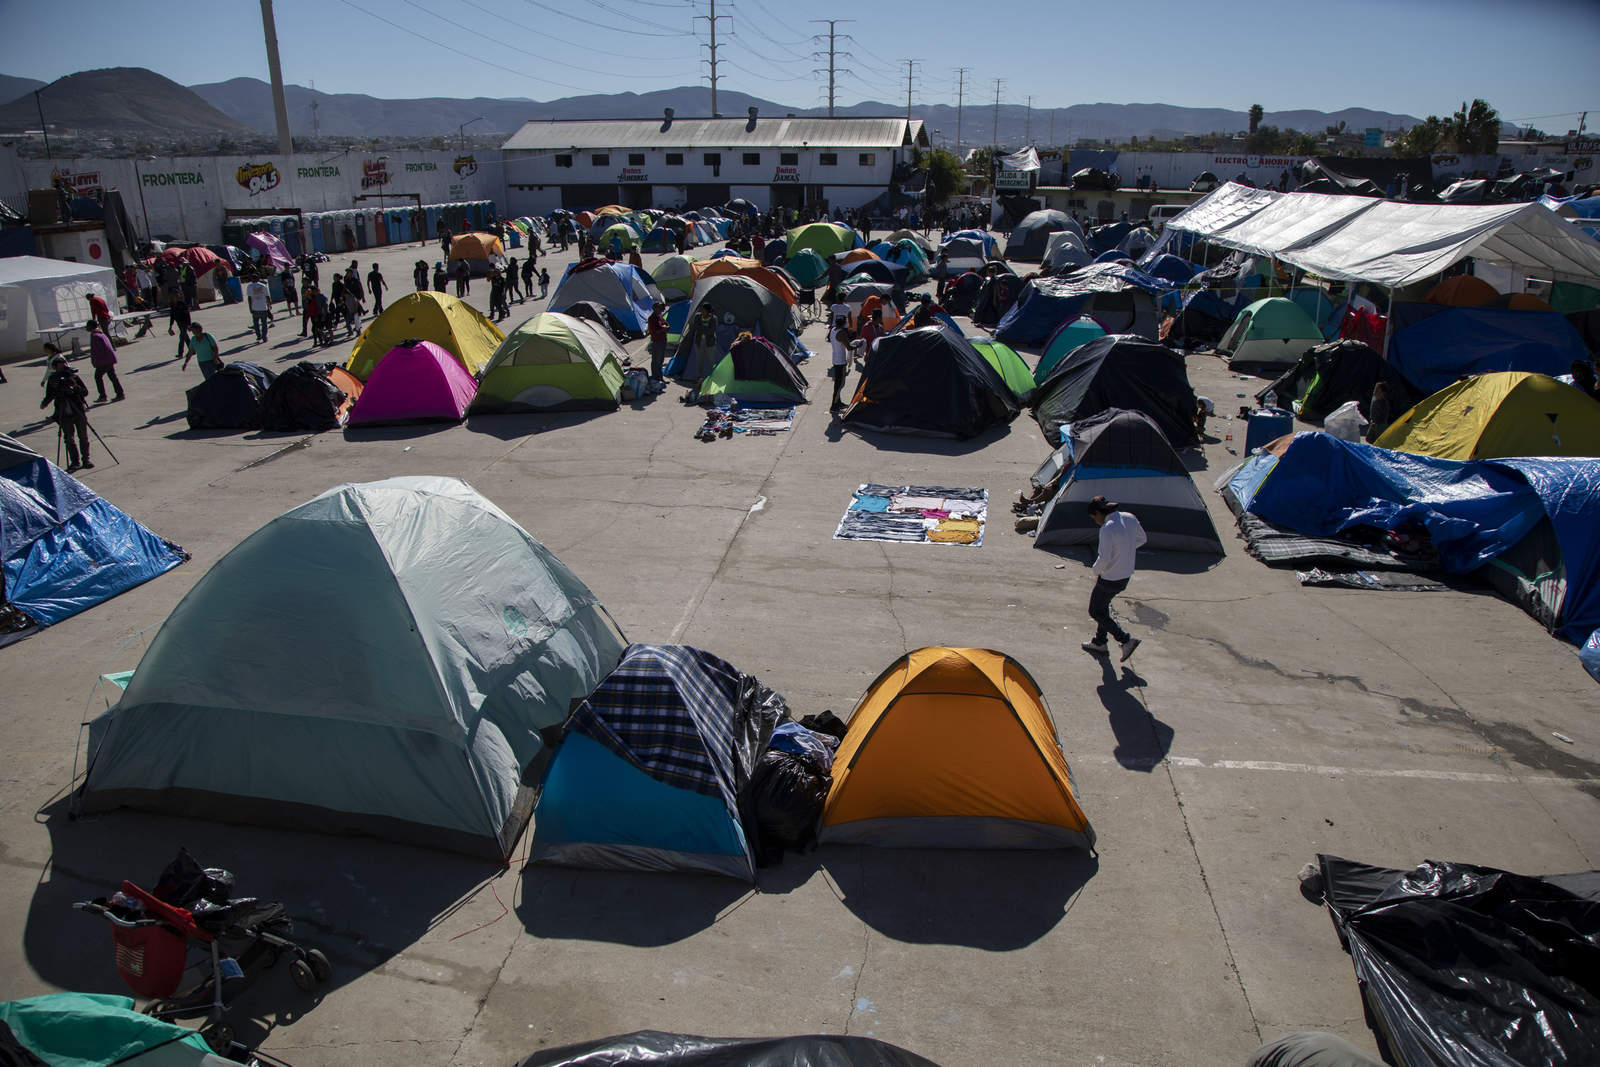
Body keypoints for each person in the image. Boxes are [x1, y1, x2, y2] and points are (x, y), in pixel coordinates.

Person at [1081, 495, 1147, 661]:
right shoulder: (1129, 517)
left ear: (1098, 513)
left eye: (1094, 518)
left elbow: (1104, 558)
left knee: (1095, 611)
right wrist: (1125, 549)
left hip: (1109, 577)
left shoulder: (1107, 529)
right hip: (1125, 575)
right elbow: (1142, 539)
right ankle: (1100, 642)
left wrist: (1094, 572)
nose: (1096, 522)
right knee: (1103, 608)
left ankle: (1125, 640)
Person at [41, 356, 92, 470]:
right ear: (55, 367)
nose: (61, 367)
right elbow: (50, 395)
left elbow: (85, 392)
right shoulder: (53, 379)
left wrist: (75, 386)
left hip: (78, 410)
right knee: (69, 438)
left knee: (83, 437)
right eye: (58, 365)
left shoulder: (73, 377)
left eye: (63, 364)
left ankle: (86, 460)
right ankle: (75, 461)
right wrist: (45, 403)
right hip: (63, 412)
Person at [87, 321, 125, 403]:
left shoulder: (95, 336)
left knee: (98, 377)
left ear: (91, 326)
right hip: (109, 359)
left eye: (87, 326)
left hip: (104, 361)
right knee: (112, 377)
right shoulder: (101, 333)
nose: (86, 328)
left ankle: (103, 396)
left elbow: (96, 351)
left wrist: (95, 362)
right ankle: (120, 394)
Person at [829, 318, 854, 410]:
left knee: (838, 382)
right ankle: (834, 405)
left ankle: (838, 402)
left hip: (836, 359)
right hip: (840, 361)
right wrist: (858, 345)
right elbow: (849, 347)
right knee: (839, 384)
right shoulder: (841, 333)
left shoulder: (833, 330)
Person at [646, 301, 668, 384]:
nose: (661, 309)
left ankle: (660, 377)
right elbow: (655, 330)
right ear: (654, 308)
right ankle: (655, 377)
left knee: (661, 359)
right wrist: (663, 329)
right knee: (656, 360)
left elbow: (666, 325)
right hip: (657, 341)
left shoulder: (660, 316)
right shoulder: (652, 318)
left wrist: (664, 328)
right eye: (659, 307)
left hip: (663, 340)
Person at [247, 275, 271, 343]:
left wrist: (250, 307)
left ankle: (258, 335)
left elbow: (249, 298)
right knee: (264, 323)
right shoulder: (263, 286)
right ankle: (264, 336)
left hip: (255, 307)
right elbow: (267, 296)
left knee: (256, 323)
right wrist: (269, 304)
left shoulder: (249, 286)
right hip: (263, 307)